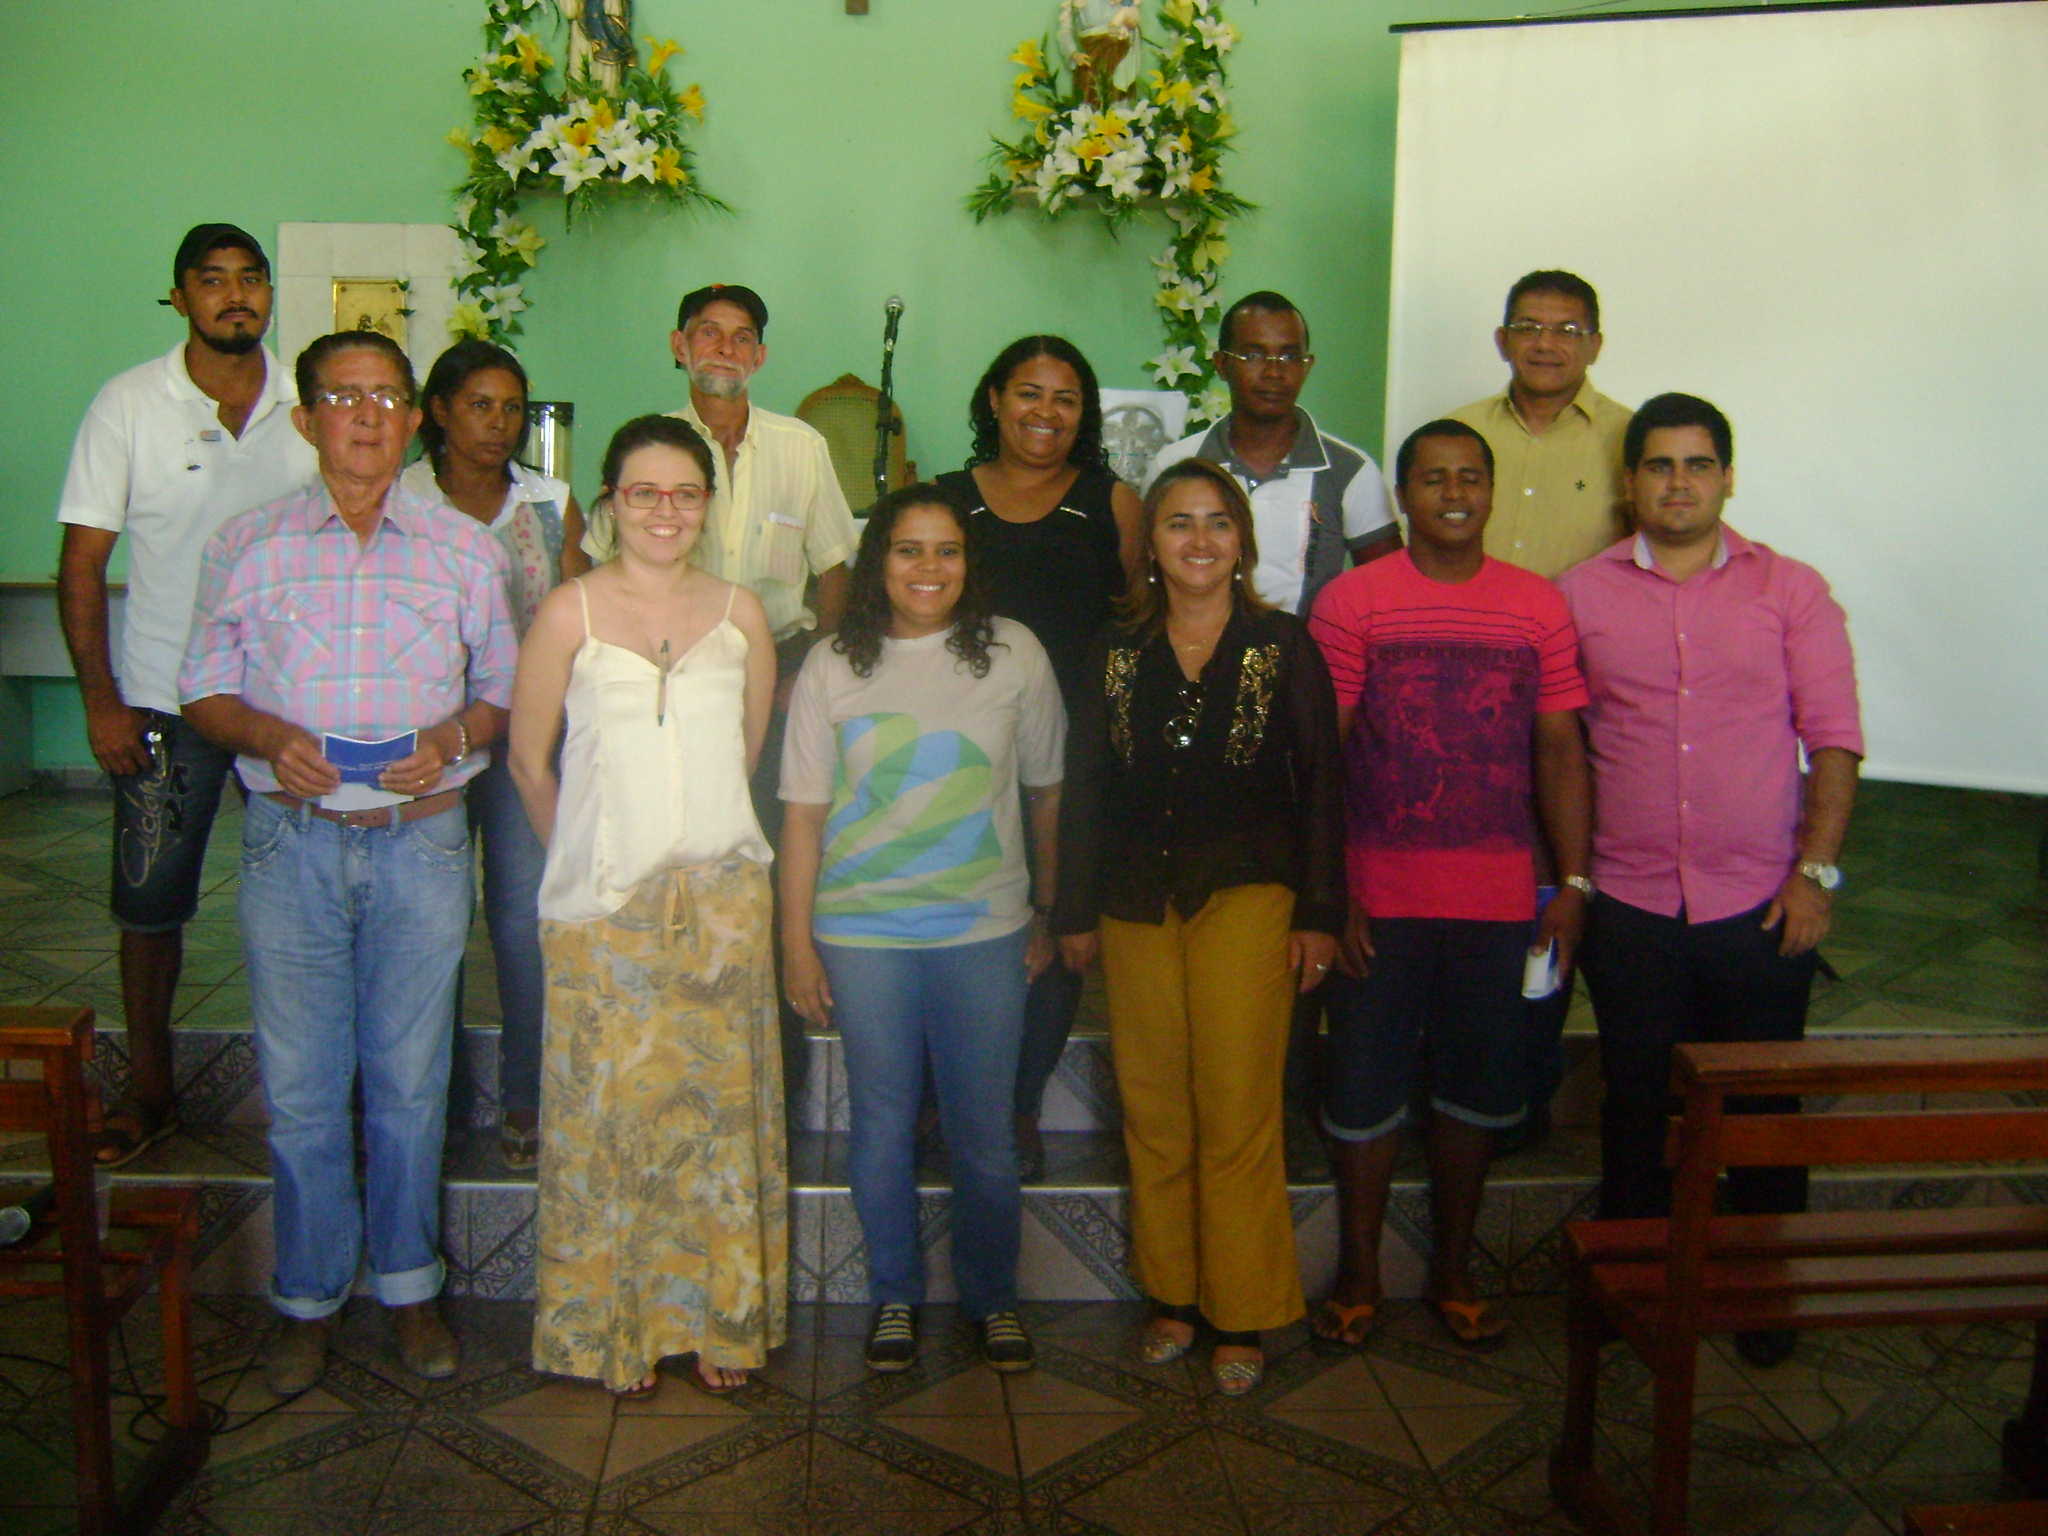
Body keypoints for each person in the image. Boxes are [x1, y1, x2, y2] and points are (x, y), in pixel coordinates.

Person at [179, 331, 517, 1396]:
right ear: (306, 418)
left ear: (414, 419)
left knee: (411, 1086)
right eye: (342, 396)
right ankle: (309, 1297)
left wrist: (456, 738)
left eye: (386, 397)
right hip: (290, 843)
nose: (367, 416)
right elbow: (200, 688)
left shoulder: (467, 550)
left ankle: (412, 1288)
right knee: (303, 1086)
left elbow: (500, 692)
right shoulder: (247, 542)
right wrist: (263, 735)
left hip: (419, 846)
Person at [1556, 392, 1861, 1369]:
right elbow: (1556, 746)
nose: (1676, 483)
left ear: (1725, 476)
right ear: (1629, 479)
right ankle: (1634, 1296)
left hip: (1759, 904)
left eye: (1695, 465)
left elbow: (1833, 742)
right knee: (1637, 1107)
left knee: (1761, 1112)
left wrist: (1812, 875)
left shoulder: (1790, 590)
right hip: (1631, 904)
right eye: (1657, 465)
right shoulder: (1578, 593)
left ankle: (1766, 1295)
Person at [1054, 458, 1343, 1396]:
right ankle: (1173, 1297)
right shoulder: (1113, 651)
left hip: (1249, 896)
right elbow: (1086, 788)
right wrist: (1072, 910)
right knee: (1155, 1103)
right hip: (1135, 900)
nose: (1200, 541)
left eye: (1218, 523)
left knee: (1237, 1107)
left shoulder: (1285, 648)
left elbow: (1324, 790)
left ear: (1244, 543)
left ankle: (1243, 1309)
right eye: (1179, 524)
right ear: (1151, 548)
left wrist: (1321, 916)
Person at [509, 414, 784, 1398]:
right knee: (610, 1128)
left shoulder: (740, 614)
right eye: (642, 492)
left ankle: (719, 1324)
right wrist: (594, 866)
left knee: (713, 1129)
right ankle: (614, 1331)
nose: (664, 511)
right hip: (600, 917)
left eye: (684, 492)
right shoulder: (567, 614)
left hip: (719, 910)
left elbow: (743, 755)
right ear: (610, 504)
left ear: (706, 505)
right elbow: (528, 763)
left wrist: (688, 864)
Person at [1307, 420, 1592, 1353]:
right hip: (1376, 903)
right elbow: (1325, 757)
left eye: (1471, 477)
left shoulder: (1537, 606)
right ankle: (1358, 1275)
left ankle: (1455, 1271)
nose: (1454, 493)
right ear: (1404, 495)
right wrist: (1333, 893)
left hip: (1500, 901)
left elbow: (1559, 750)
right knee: (1362, 1092)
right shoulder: (1353, 603)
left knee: (1474, 1096)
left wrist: (1574, 881)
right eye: (1434, 479)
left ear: (1491, 489)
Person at [779, 488, 1066, 1377]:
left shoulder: (1014, 652)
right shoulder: (831, 663)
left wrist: (1047, 910)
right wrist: (796, 944)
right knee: (882, 1123)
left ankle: (992, 1300)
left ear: (969, 564)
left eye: (947, 551)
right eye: (908, 550)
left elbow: (1048, 791)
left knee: (984, 1131)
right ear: (878, 563)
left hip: (984, 929)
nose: (929, 569)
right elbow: (802, 818)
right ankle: (893, 1296)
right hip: (863, 935)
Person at [56, 223, 316, 1168]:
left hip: (291, 708)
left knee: (313, 905)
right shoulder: (129, 404)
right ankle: (152, 1089)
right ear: (180, 298)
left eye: (251, 279)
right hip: (166, 705)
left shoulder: (310, 407)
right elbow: (83, 564)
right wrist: (101, 701)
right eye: (213, 281)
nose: (235, 296)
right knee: (151, 904)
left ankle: (321, 1094)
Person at [934, 335, 1144, 1181]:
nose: (1045, 413)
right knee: (956, 926)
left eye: (1065, 398)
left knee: (1057, 928)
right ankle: (942, 1099)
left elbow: (1136, 614)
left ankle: (1019, 1104)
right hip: (958, 752)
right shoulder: (946, 500)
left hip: (1075, 753)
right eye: (1029, 393)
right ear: (993, 399)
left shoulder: (1109, 501)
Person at [1449, 270, 1635, 1151]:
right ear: (1502, 338)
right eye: (1530, 325)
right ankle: (1464, 1073)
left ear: (1595, 343)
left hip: (1582, 713)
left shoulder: (1631, 441)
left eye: (1568, 329)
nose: (1548, 343)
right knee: (1479, 895)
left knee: (1566, 889)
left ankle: (1529, 1082)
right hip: (1466, 715)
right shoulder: (1462, 437)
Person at [401, 339, 589, 1170]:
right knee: (429, 926)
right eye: (480, 404)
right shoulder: (400, 496)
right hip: (425, 746)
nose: (499, 422)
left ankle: (527, 1094)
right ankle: (426, 1100)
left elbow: (578, 612)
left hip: (525, 740)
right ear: (438, 410)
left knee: (521, 922)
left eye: (512, 407)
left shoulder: (548, 503)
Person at [1144, 291, 1400, 618]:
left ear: (1307, 366)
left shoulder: (1349, 471)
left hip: (1306, 660)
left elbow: (1389, 588)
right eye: (1253, 356)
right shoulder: (1175, 466)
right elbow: (1143, 575)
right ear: (1221, 365)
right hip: (1194, 656)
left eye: (1290, 357)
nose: (1273, 373)